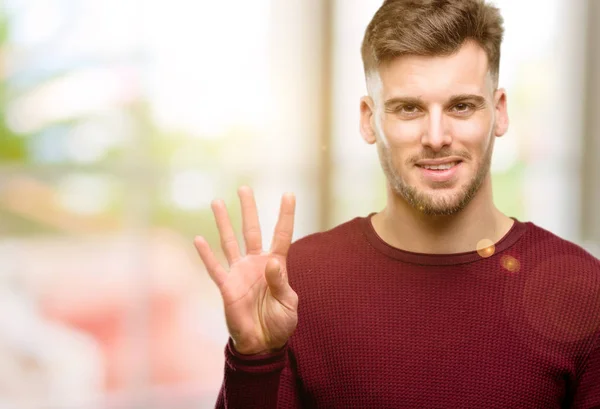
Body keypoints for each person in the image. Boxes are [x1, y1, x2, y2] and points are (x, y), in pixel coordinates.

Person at [194, 0, 600, 407]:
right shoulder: (293, 286)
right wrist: (254, 362)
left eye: (461, 106)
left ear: (499, 111)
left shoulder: (585, 291)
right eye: (409, 108)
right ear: (369, 120)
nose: (437, 136)